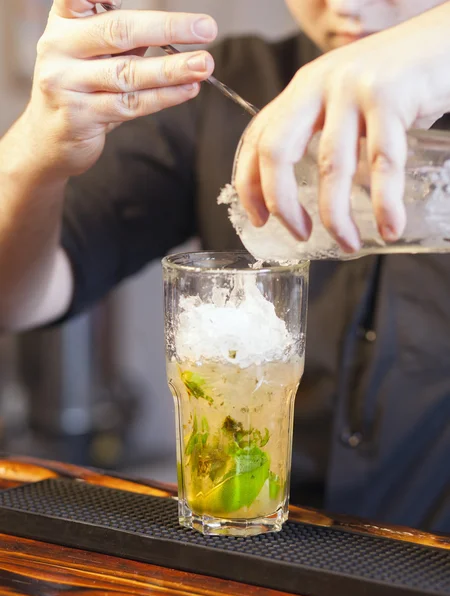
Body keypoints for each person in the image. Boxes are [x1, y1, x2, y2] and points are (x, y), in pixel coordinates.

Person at [1, 0, 450, 533]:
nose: (347, 4)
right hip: (243, 550)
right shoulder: (232, 86)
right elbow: (19, 295)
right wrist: (38, 148)